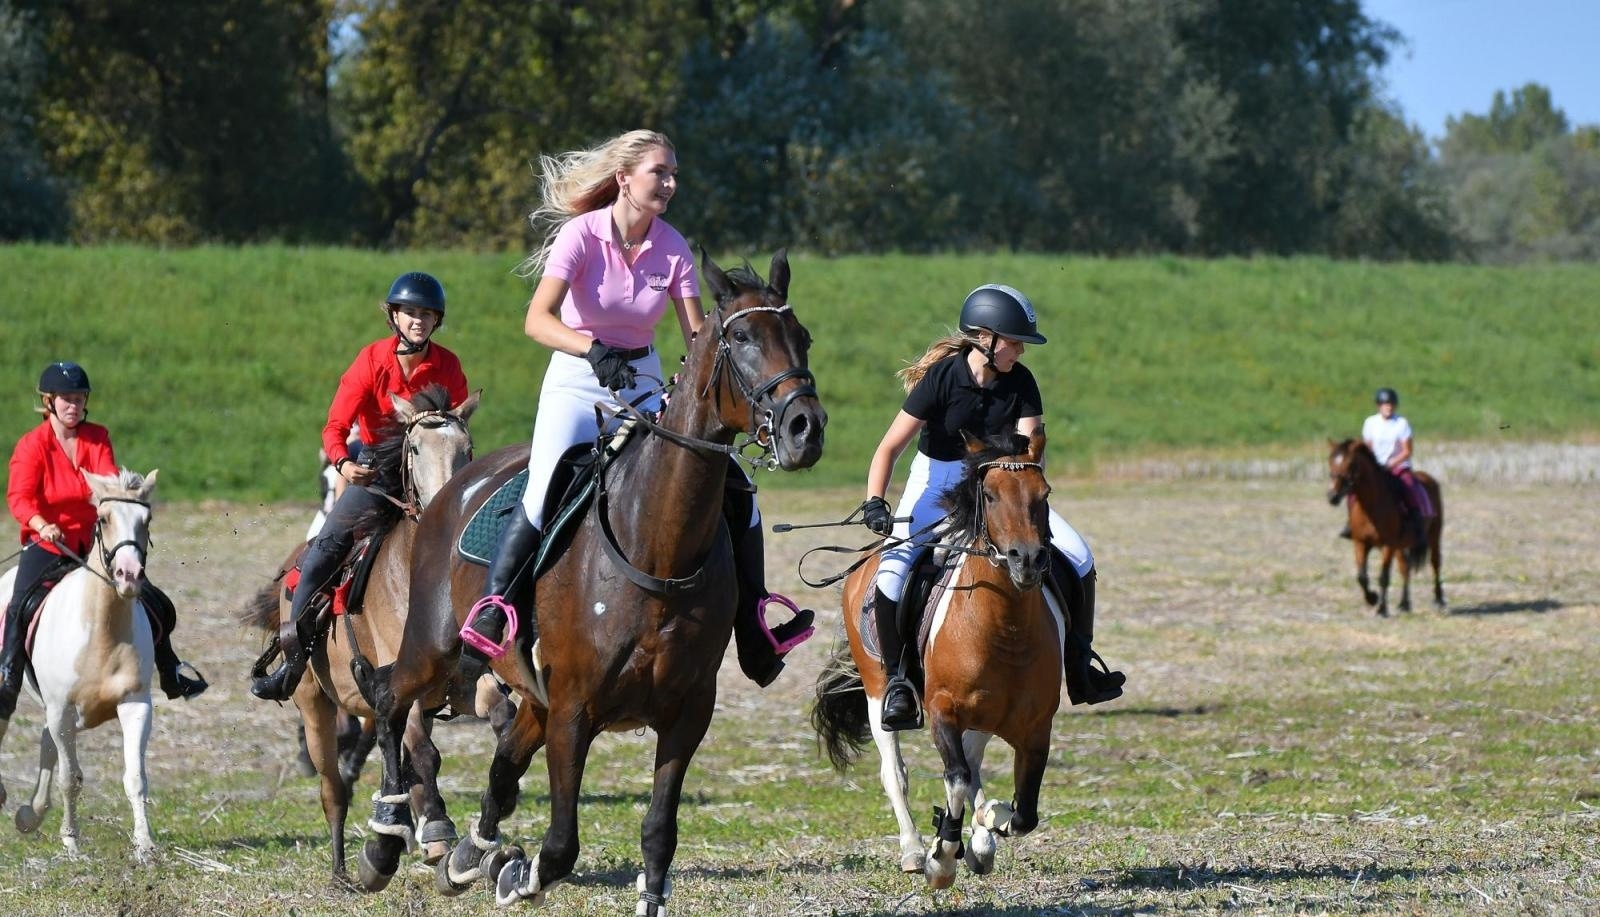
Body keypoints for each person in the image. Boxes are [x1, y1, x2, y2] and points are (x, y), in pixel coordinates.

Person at [455, 128, 811, 689]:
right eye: (659, 173)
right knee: (546, 482)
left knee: (736, 486)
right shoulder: (581, 235)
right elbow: (537, 320)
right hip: (577, 378)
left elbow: (698, 338)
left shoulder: (672, 246)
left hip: (642, 379)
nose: (669, 183)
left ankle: (754, 622)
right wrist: (593, 350)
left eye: (673, 175)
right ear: (624, 178)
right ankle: (496, 608)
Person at [860, 285, 1125, 730]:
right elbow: (889, 447)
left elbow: (1030, 451)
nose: (1020, 351)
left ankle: (1079, 668)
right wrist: (874, 501)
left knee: (1079, 557)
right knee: (893, 572)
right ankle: (900, 684)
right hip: (937, 478)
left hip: (1004, 485)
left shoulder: (1021, 381)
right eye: (1015, 341)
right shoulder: (942, 378)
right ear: (985, 338)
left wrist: (1020, 491)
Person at [251, 272, 469, 700]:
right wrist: (346, 465)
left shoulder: (449, 365)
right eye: (410, 312)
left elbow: (456, 422)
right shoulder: (371, 360)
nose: (418, 321)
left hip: (434, 476)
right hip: (377, 471)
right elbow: (335, 426)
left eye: (427, 314)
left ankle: (487, 655)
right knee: (323, 550)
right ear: (394, 316)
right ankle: (292, 661)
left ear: (436, 320)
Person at [1, 361, 207, 717]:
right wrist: (41, 523)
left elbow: (108, 482)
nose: (74, 405)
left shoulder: (97, 436)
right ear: (48, 401)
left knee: (153, 602)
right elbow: (19, 497)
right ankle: (7, 679)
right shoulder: (32, 446)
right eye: (66, 399)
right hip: (49, 543)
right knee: (18, 607)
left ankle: (171, 672)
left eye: (80, 398)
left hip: (95, 543)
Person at [1356, 386, 1433, 543]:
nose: (1388, 407)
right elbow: (1368, 448)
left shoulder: (1401, 424)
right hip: (1377, 469)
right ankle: (1352, 524)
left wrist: (1392, 463)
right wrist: (1373, 465)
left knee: (1409, 486)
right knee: (1355, 489)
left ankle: (1417, 520)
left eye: (1391, 404)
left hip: (1398, 466)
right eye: (1385, 404)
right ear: (1379, 406)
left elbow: (1407, 451)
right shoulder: (1370, 423)